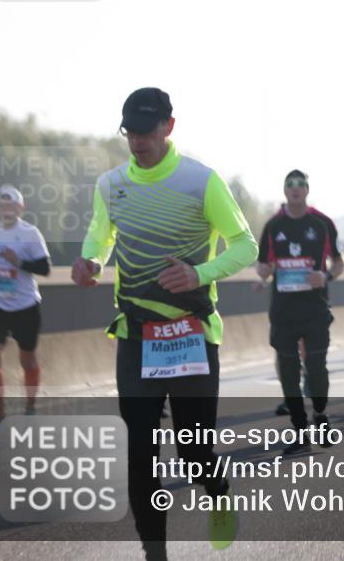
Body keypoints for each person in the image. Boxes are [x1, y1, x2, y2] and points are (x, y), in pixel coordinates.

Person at [73, 87, 257, 559]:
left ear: (168, 127)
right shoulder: (110, 184)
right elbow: (100, 234)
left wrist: (200, 273)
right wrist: (90, 261)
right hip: (136, 335)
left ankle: (217, 491)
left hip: (192, 333)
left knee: (195, 455)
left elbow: (245, 247)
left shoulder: (202, 181)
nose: (138, 142)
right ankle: (155, 554)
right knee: (140, 454)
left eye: (147, 131)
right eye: (130, 131)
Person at [256, 170, 344, 454]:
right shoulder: (272, 226)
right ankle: (299, 430)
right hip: (283, 311)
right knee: (288, 371)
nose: (295, 189)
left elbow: (339, 263)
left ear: (307, 189)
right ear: (284, 190)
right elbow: (262, 265)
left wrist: (326, 276)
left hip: (315, 308)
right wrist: (265, 273)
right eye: (290, 185)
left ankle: (320, 415)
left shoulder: (322, 223)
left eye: (300, 184)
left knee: (316, 367)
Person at [0, 184, 51, 440]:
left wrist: (19, 262)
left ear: (21, 207)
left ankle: (30, 409)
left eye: (11, 204)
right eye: (2, 204)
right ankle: (1, 419)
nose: (6, 208)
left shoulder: (30, 233)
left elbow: (45, 268)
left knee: (27, 360)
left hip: (25, 306)